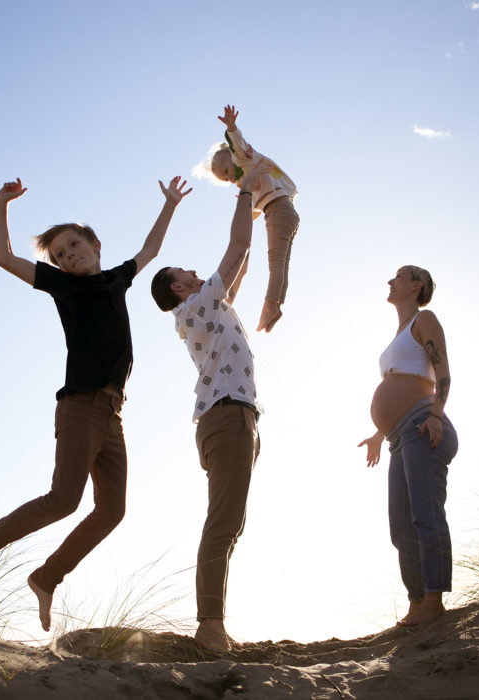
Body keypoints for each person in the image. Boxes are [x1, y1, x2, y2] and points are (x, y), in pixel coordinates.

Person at [0, 175, 192, 634]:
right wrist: (1, 204)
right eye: (60, 255)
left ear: (94, 244)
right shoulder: (63, 287)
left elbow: (152, 248)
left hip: (113, 412)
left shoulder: (118, 278)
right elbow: (4, 258)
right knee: (64, 499)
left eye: (72, 246)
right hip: (81, 406)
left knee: (113, 509)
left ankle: (46, 577)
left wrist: (170, 205)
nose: (67, 256)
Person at [149, 167, 266, 652]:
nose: (196, 274)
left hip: (236, 418)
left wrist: (256, 206)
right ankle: (209, 626)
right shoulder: (194, 307)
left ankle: (212, 623)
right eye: (187, 274)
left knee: (230, 521)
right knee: (223, 522)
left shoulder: (209, 308)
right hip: (227, 417)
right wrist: (244, 188)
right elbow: (236, 252)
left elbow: (242, 257)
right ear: (178, 289)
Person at [358, 265, 459, 627]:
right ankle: (416, 603)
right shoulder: (396, 336)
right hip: (398, 437)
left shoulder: (424, 319)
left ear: (417, 285)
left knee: (425, 515)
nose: (390, 280)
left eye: (398, 276)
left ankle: (434, 600)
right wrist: (378, 431)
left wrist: (435, 414)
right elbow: (394, 387)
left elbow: (441, 370)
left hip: (422, 425)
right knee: (400, 526)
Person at [205, 104, 299, 334]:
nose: (229, 179)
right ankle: (275, 304)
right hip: (285, 211)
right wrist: (250, 205)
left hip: (278, 210)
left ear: (232, 158)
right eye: (225, 179)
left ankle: (270, 305)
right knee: (282, 264)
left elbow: (238, 143)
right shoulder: (251, 172)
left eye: (226, 172)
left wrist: (231, 127)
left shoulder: (242, 157)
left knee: (276, 263)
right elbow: (256, 210)